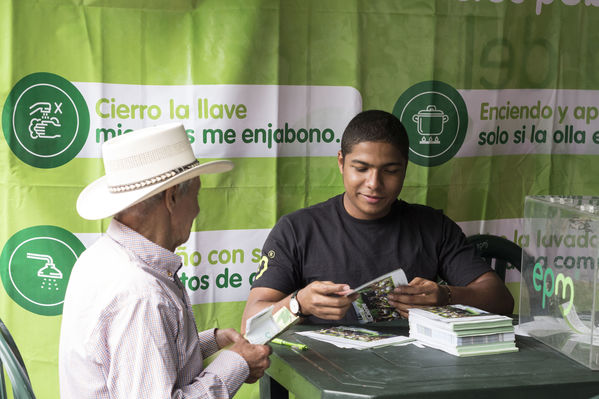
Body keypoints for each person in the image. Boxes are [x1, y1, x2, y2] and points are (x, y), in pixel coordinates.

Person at [241, 110, 514, 327]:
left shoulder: (433, 227)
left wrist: (447, 296)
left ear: (405, 168)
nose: (374, 183)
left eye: (391, 171)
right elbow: (250, 323)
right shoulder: (297, 230)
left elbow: (501, 299)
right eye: (360, 168)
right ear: (341, 162)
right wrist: (298, 304)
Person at [59, 123, 271, 398]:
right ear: (172, 198)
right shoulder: (139, 294)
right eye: (196, 195)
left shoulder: (101, 259)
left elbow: (136, 355)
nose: (197, 209)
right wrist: (237, 363)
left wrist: (208, 342)